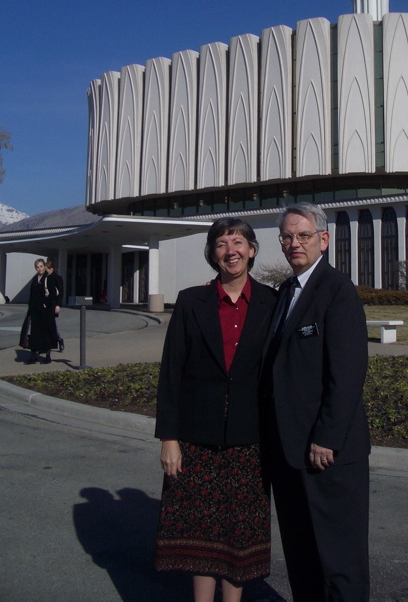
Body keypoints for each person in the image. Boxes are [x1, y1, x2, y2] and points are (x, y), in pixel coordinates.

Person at [154, 218, 277, 602]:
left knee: (238, 536)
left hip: (250, 439)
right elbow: (171, 372)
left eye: (238, 242)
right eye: (221, 244)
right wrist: (169, 438)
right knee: (200, 534)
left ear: (252, 250)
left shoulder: (273, 303)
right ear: (212, 253)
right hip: (196, 438)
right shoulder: (192, 301)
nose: (231, 251)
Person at [260, 202, 371, 602]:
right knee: (302, 557)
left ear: (323, 240)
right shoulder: (286, 292)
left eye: (303, 236)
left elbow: (347, 372)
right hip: (289, 454)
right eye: (287, 237)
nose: (294, 244)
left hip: (327, 453)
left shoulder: (337, 291)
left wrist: (327, 436)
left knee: (340, 562)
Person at [19, 258, 59, 364]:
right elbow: (32, 294)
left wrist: (48, 304)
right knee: (35, 332)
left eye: (41, 266)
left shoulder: (48, 278)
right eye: (37, 267)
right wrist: (30, 307)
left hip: (46, 310)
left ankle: (47, 356)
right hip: (35, 310)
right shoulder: (35, 279)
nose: (39, 268)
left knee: (46, 332)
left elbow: (53, 293)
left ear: (44, 266)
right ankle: (33, 356)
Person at [45, 259, 65, 352]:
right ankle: (52, 340)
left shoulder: (57, 278)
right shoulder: (45, 277)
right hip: (46, 304)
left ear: (51, 268)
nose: (46, 271)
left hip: (53, 304)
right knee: (48, 323)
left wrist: (58, 305)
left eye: (47, 269)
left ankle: (58, 339)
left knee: (51, 323)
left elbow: (60, 293)